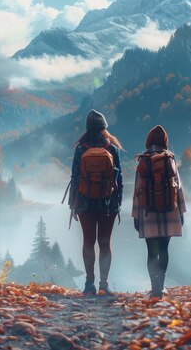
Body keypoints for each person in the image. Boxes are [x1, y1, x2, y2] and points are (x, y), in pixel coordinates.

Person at [67, 109, 123, 295]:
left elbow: (74, 178)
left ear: (87, 128)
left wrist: (72, 205)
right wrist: (118, 203)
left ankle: (89, 284)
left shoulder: (81, 148)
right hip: (109, 203)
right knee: (105, 243)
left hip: (84, 202)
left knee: (88, 241)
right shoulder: (112, 148)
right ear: (104, 128)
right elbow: (119, 179)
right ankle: (104, 285)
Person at [132, 125, 186, 298]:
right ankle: (161, 287)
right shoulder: (170, 159)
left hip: (148, 213)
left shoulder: (143, 160)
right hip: (170, 211)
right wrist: (182, 212)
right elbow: (178, 188)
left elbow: (137, 190)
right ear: (165, 142)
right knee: (164, 249)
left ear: (148, 141)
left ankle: (154, 288)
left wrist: (136, 216)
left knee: (151, 251)